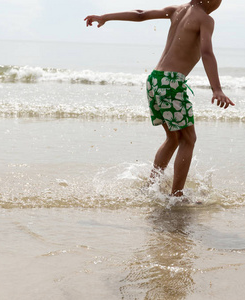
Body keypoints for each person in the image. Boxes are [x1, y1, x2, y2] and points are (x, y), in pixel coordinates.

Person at [84, 0, 234, 198]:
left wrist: (105, 17)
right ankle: (176, 196)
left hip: (154, 80)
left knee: (173, 138)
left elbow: (140, 14)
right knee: (188, 139)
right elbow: (207, 52)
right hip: (171, 82)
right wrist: (217, 89)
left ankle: (151, 187)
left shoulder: (177, 10)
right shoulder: (205, 20)